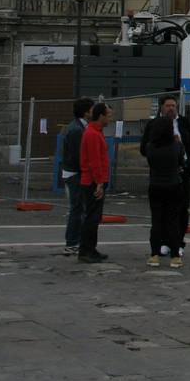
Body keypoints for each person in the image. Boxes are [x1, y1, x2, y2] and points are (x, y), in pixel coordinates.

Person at [140, 94, 190, 253]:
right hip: (160, 175)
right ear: (161, 107)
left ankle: (178, 243)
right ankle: (163, 242)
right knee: (162, 212)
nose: (171, 108)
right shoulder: (153, 125)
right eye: (168, 105)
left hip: (182, 175)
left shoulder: (184, 123)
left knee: (181, 209)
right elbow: (144, 148)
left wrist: (188, 165)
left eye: (174, 105)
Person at [144, 115, 185, 269]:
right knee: (173, 221)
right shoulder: (176, 146)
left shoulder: (150, 147)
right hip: (173, 185)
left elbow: (150, 162)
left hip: (155, 185)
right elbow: (182, 161)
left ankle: (154, 255)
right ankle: (175, 256)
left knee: (156, 221)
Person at [78, 102, 112, 263]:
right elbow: (94, 161)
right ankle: (86, 250)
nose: (110, 118)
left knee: (94, 217)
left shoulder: (96, 132)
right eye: (108, 115)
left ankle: (90, 248)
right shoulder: (92, 133)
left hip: (95, 180)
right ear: (101, 116)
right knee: (91, 218)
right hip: (92, 182)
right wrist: (99, 182)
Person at [61, 96, 93, 256]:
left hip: (74, 172)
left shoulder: (79, 127)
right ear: (86, 112)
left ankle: (75, 241)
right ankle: (72, 242)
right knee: (77, 208)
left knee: (79, 208)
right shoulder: (76, 130)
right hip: (75, 173)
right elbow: (78, 155)